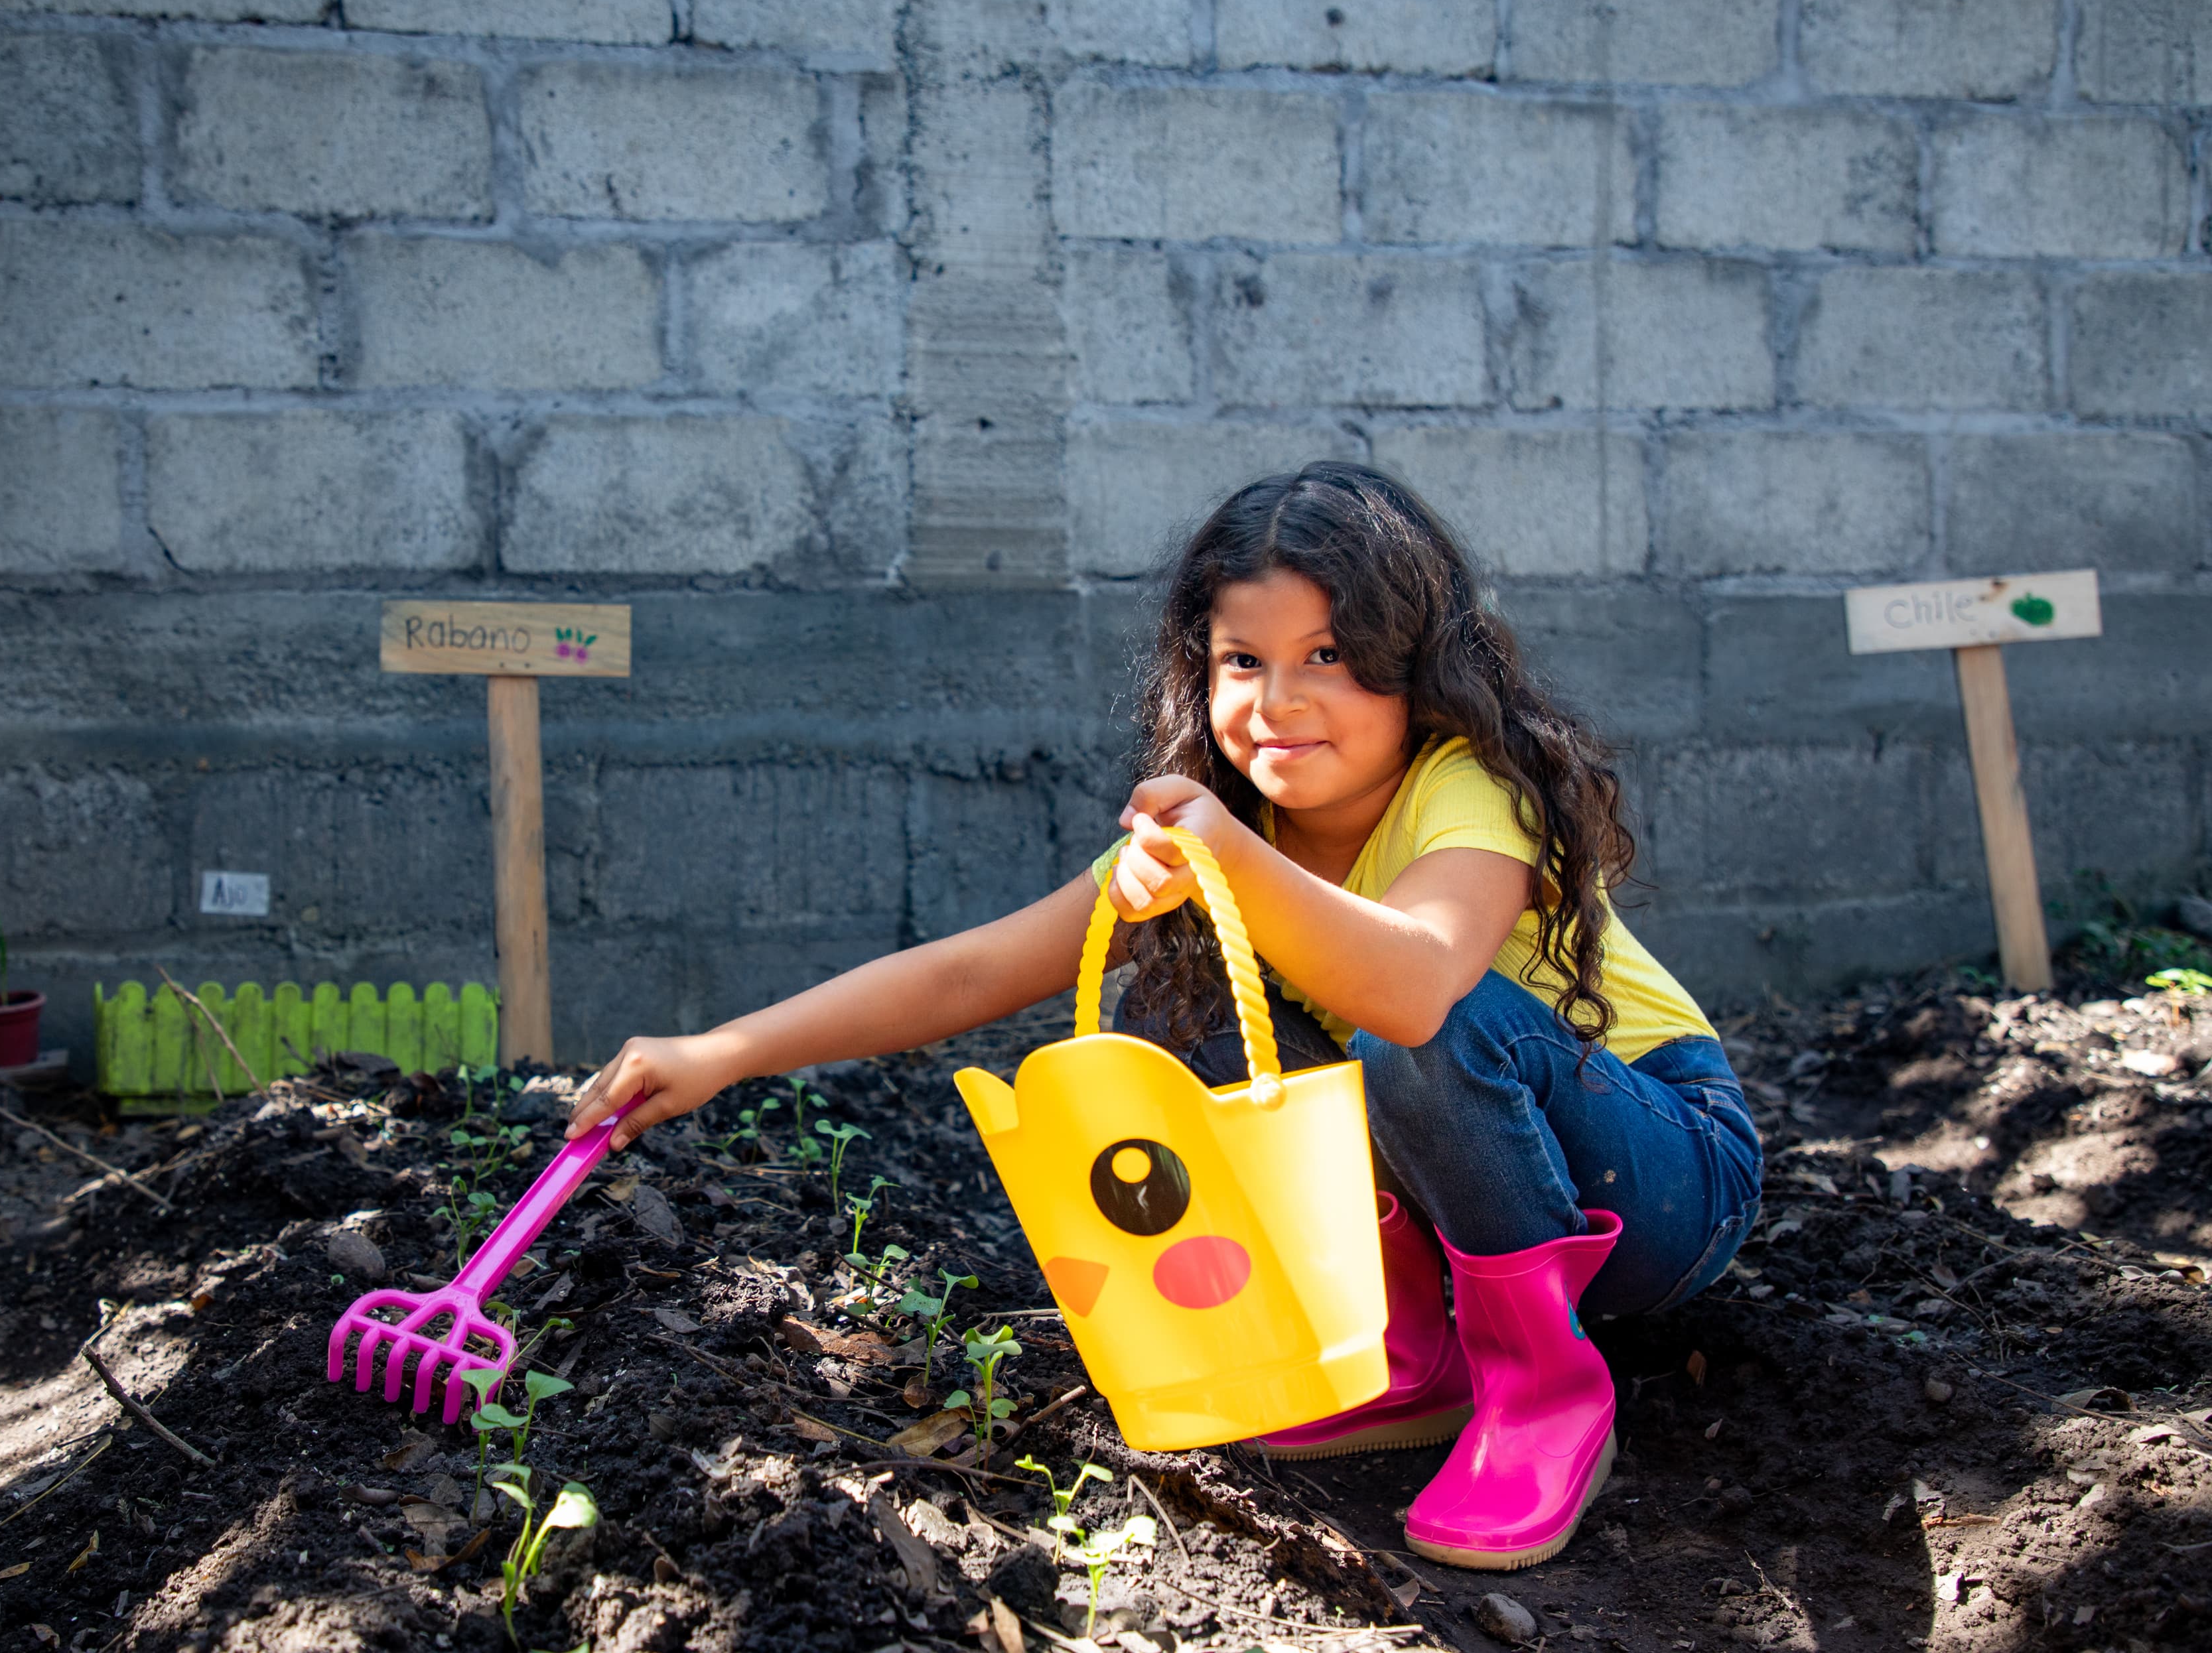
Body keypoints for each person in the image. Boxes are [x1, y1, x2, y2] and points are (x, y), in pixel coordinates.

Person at [562, 462, 1763, 1570]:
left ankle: (1545, 1393)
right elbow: (974, 974)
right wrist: (722, 1052)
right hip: (1494, 1207)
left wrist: (1229, 857)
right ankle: (1416, 1354)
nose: (1279, 702)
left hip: (1663, 1180)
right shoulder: (1236, 825)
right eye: (1245, 662)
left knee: (1427, 1026)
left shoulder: (1470, 790)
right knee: (1169, 999)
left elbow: (1412, 984)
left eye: (1332, 656)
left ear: (1418, 666)